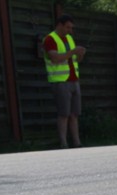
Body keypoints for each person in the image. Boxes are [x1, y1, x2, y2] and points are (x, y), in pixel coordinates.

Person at [43, 14, 86, 149]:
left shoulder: (69, 39)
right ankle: (63, 143)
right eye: (68, 27)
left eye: (71, 28)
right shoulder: (50, 39)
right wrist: (73, 51)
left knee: (74, 114)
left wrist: (80, 54)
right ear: (60, 25)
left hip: (74, 79)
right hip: (60, 81)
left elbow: (75, 60)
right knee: (64, 113)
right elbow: (55, 58)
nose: (70, 30)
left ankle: (77, 143)